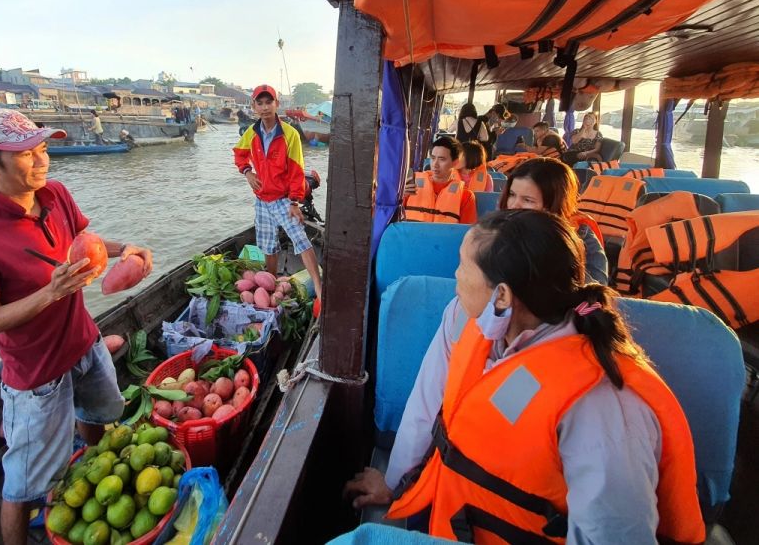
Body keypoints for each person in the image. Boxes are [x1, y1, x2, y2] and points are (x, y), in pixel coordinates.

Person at [343, 210, 704, 544]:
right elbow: (440, 416)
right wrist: (395, 483)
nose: (455, 275)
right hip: (455, 522)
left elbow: (613, 534)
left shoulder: (601, 404)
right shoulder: (487, 333)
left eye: (462, 266)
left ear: (502, 296)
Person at [0, 108, 153, 545]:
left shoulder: (54, 194)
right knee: (21, 486)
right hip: (37, 375)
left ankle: (97, 466)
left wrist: (124, 248)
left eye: (42, 148)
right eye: (25, 154)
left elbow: (86, 244)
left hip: (86, 344)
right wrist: (50, 294)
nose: (41, 160)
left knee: (100, 416)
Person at [234, 84, 323, 299]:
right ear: (254, 106)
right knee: (267, 244)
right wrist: (247, 172)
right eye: (260, 103)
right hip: (262, 200)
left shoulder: (289, 134)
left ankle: (320, 290)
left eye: (269, 102)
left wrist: (294, 203)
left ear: (277, 104)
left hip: (284, 199)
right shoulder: (251, 133)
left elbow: (296, 171)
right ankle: (271, 284)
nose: (265, 107)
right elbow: (239, 154)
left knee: (301, 240)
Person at [500, 156, 608, 284]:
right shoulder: (496, 231)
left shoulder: (582, 236)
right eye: (512, 195)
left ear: (552, 204)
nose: (514, 205)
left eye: (527, 200)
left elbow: (596, 294)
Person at [404, 136, 477, 224]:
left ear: (455, 163)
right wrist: (399, 198)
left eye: (442, 159)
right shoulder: (409, 186)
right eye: (433, 158)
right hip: (410, 237)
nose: (435, 164)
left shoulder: (466, 196)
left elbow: (467, 233)